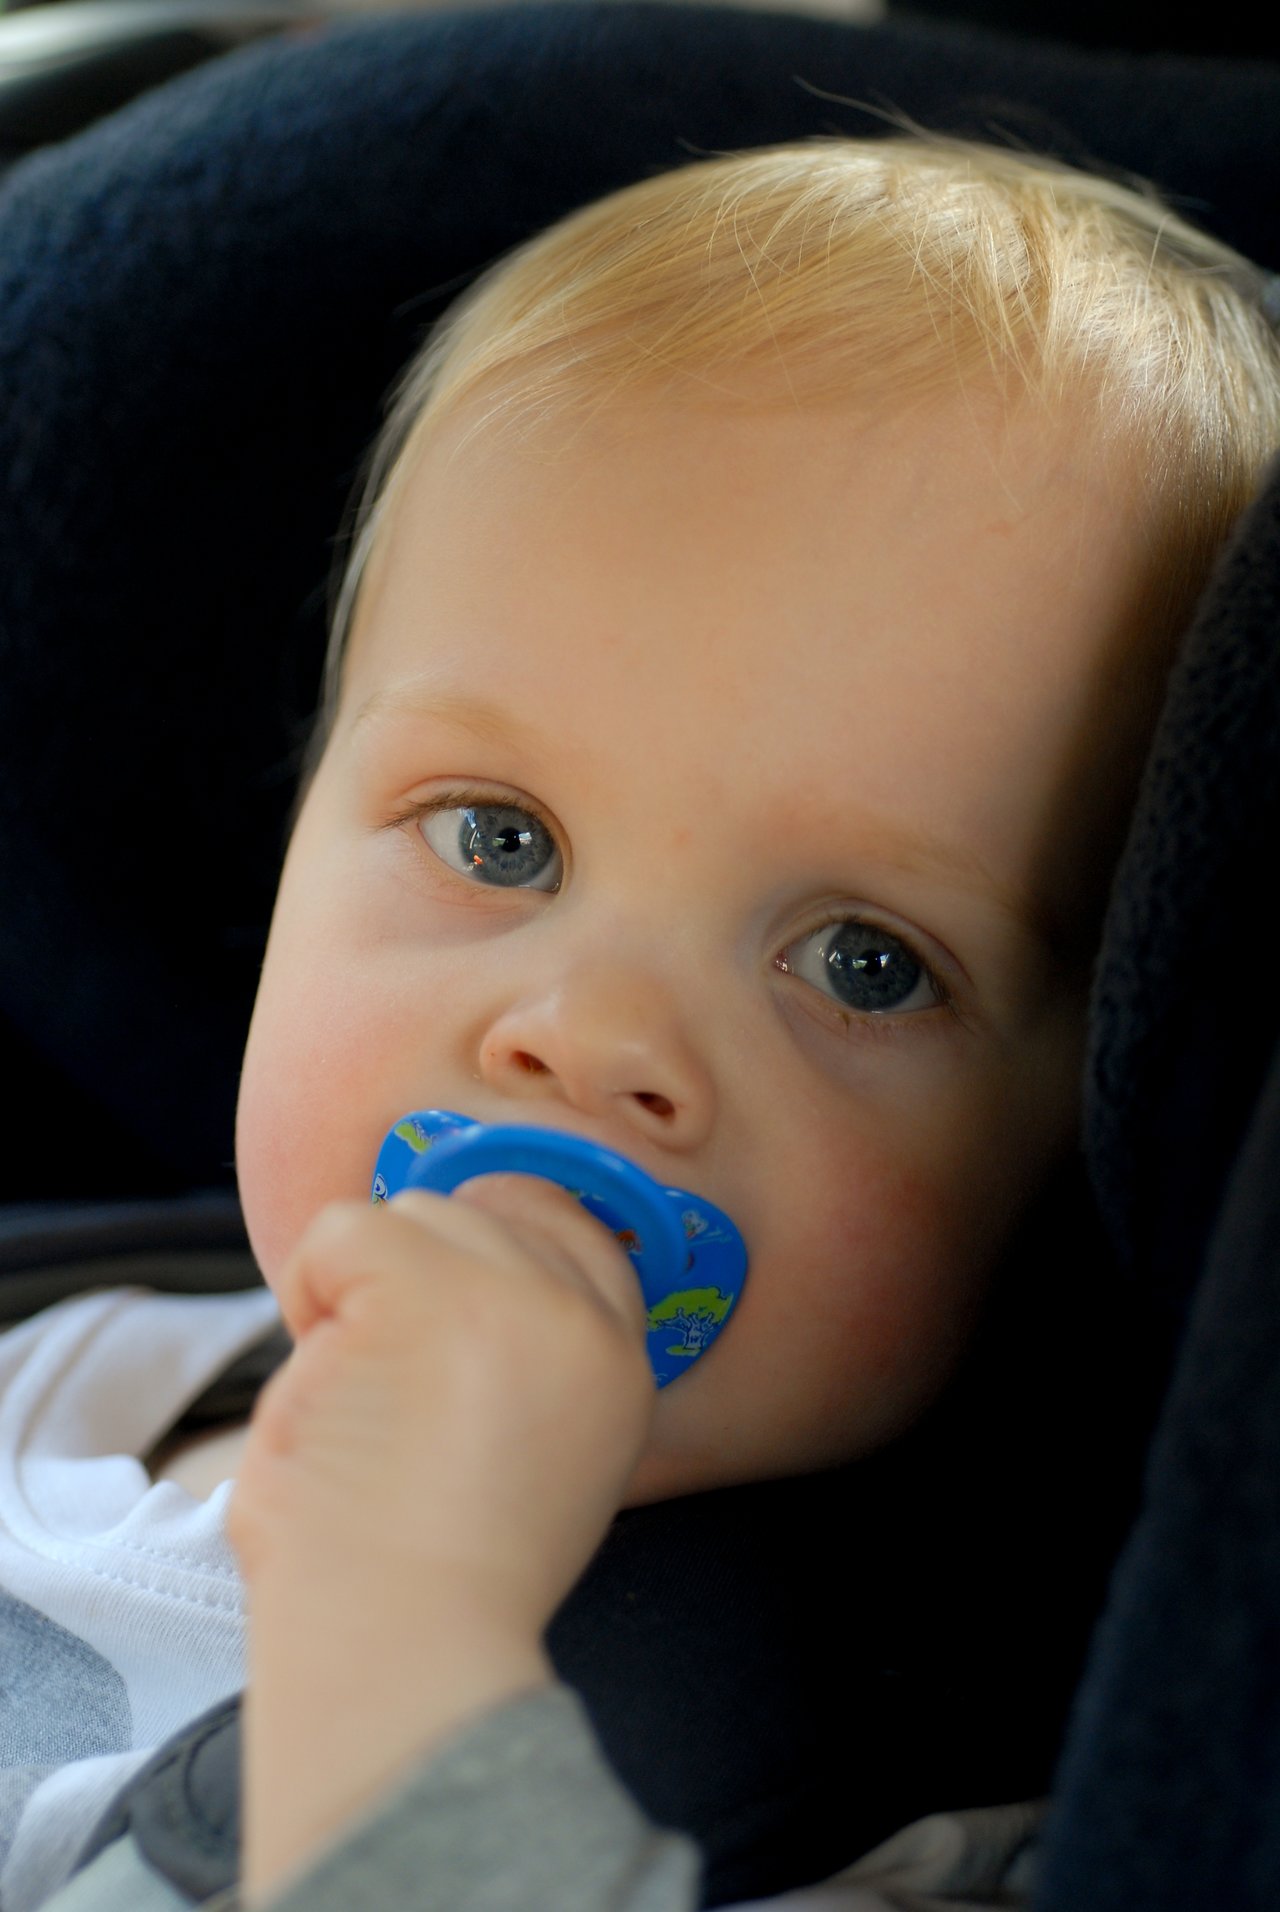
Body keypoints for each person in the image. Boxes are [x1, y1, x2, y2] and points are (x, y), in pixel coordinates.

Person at [11, 133, 1280, 1912]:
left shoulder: (914, 1827)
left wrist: (410, 1619)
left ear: (1086, 1131)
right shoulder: (65, 1359)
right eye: (498, 839)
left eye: (864, 961)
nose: (591, 1037)